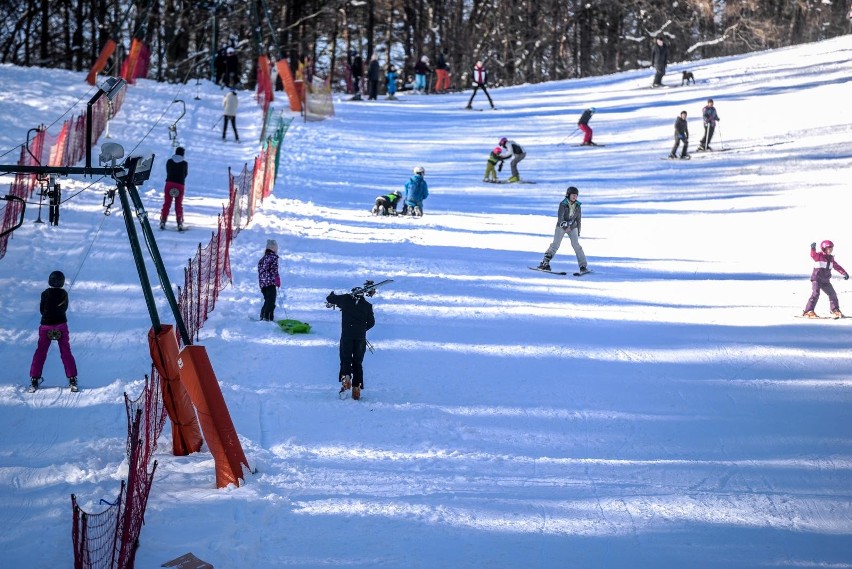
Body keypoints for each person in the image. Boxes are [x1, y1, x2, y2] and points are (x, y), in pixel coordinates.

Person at [326, 282, 377, 400]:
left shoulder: (345, 300)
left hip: (346, 337)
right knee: (358, 363)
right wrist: (362, 330)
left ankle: (346, 378)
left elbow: (330, 298)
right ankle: (356, 387)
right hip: (360, 338)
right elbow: (371, 323)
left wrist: (332, 294)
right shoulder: (367, 306)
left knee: (345, 360)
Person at [29, 270, 78, 392]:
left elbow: (42, 310)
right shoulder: (64, 294)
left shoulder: (44, 294)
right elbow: (64, 309)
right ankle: (72, 378)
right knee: (66, 351)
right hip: (61, 325)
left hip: (46, 327)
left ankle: (34, 378)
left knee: (41, 351)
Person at [536, 186, 588, 273]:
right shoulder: (563, 204)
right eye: (573, 195)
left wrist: (578, 230)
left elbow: (578, 219)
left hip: (573, 226)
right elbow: (560, 217)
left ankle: (583, 266)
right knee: (555, 244)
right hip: (561, 226)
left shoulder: (578, 205)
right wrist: (565, 226)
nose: (575, 197)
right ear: (568, 195)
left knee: (576, 245)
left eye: (576, 195)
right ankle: (545, 262)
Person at [803, 240, 848, 318]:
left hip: (825, 281)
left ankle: (835, 310)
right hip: (817, 279)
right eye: (828, 248)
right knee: (815, 294)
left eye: (831, 248)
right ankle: (808, 311)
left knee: (832, 294)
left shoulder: (831, 258)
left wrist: (844, 273)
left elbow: (837, 266)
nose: (830, 250)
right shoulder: (819, 256)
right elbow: (813, 255)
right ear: (823, 249)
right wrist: (813, 248)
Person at [159, 146, 188, 231]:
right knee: (178, 204)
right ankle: (179, 222)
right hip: (180, 185)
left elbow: (167, 171)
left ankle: (163, 221)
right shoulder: (184, 163)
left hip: (169, 184)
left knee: (167, 203)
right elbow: (185, 174)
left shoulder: (169, 161)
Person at [257, 239, 281, 321]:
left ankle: (263, 315)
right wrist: (277, 279)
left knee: (267, 300)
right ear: (274, 248)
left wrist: (262, 283)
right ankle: (267, 317)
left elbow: (260, 272)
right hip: (270, 283)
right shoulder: (273, 257)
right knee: (271, 301)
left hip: (263, 285)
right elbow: (274, 270)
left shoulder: (262, 259)